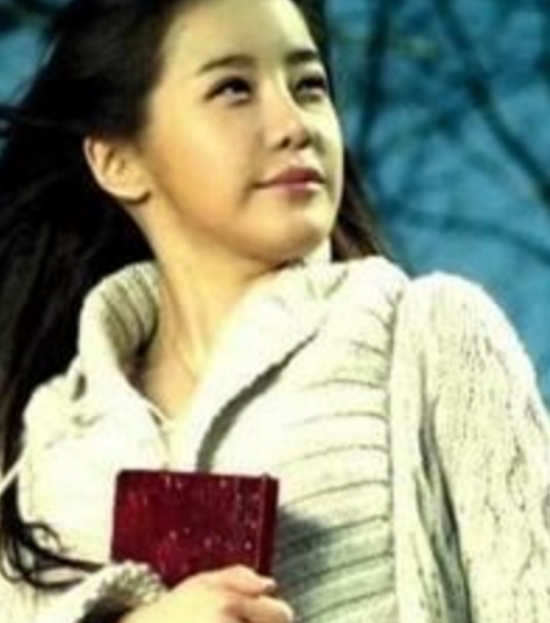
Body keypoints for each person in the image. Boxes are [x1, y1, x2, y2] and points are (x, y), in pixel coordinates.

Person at [0, 0, 549, 621]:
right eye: (234, 89)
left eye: (309, 86)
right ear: (117, 161)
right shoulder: (47, 448)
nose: (295, 125)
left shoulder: (433, 337)